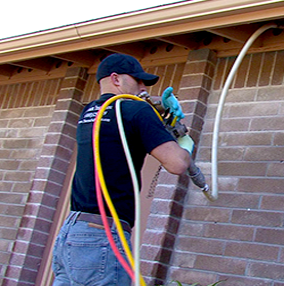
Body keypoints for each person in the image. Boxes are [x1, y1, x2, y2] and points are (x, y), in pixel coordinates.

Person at [52, 53, 192, 286]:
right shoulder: (136, 111)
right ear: (116, 79)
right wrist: (185, 144)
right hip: (102, 234)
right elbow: (177, 163)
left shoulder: (88, 113)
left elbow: (120, 132)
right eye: (137, 80)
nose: (142, 86)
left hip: (72, 233)